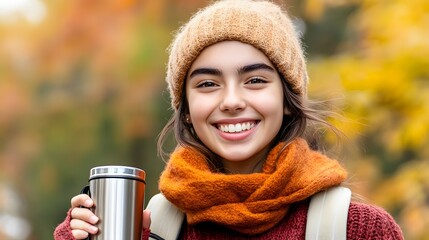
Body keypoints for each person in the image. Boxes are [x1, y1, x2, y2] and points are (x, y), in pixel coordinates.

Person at [54, 0, 404, 239]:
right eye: (208, 84)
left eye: (255, 80)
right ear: (187, 109)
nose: (232, 101)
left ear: (286, 100)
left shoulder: (359, 229)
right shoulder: (154, 229)